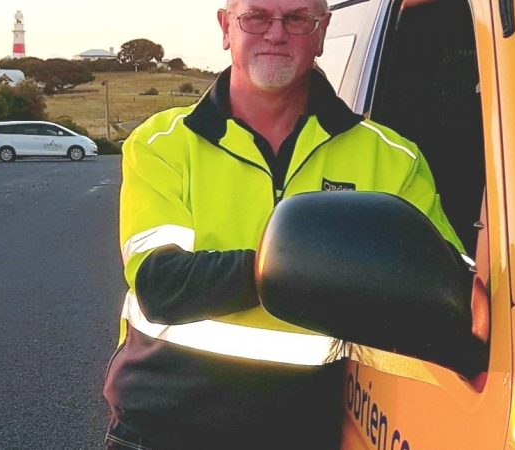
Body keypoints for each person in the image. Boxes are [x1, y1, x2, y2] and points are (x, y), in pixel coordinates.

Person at [103, 0, 468, 448]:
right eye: (257, 16)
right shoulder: (162, 144)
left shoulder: (393, 158)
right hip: (163, 427)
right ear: (226, 27)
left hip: (304, 429)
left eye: (297, 18)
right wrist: (319, 266)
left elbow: (451, 290)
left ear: (321, 32)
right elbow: (162, 285)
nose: (276, 33)